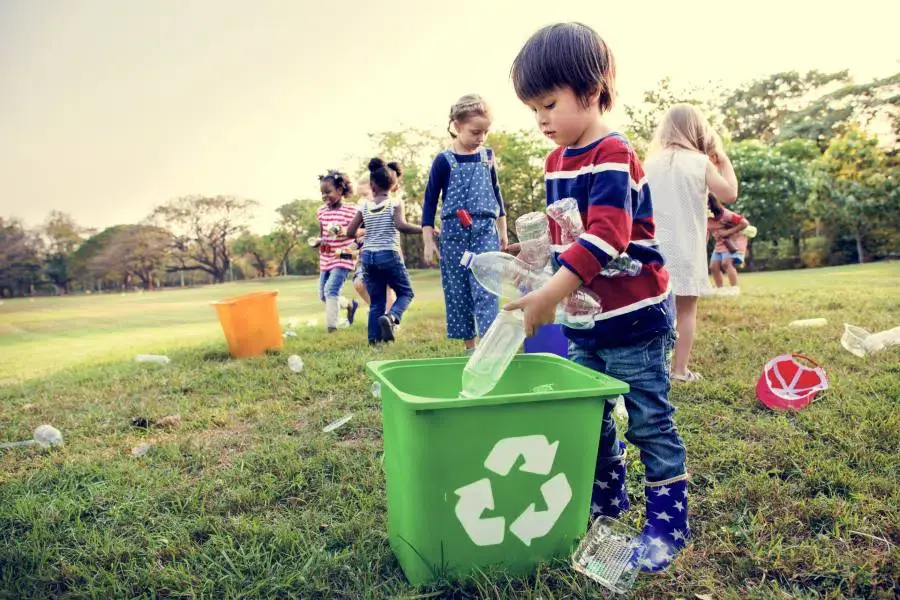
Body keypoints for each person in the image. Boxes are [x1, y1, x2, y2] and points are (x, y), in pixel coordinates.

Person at [505, 22, 688, 572]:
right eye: (533, 108)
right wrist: (532, 259)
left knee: (648, 419)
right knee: (592, 417)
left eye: (549, 103)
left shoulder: (612, 152)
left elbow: (607, 236)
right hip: (586, 322)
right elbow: (569, 234)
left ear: (592, 91)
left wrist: (549, 297)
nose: (540, 120)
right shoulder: (555, 162)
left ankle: (668, 523)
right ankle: (606, 502)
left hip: (634, 318)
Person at [644, 104, 739, 382]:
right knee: (686, 311)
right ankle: (679, 370)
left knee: (653, 310)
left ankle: (652, 367)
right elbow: (729, 193)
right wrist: (723, 161)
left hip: (652, 250)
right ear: (697, 130)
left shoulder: (648, 164)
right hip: (687, 249)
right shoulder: (700, 162)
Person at [422, 94, 508, 355]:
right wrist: (428, 241)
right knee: (458, 290)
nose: (481, 137)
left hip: (484, 231)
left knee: (487, 288)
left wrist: (502, 230)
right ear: (457, 126)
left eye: (485, 132)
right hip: (454, 236)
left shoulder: (487, 157)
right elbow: (429, 203)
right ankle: (470, 347)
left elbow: (497, 194)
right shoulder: (443, 161)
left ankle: (489, 346)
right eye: (475, 132)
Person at [346, 159, 421, 344]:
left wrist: (366, 231)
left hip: (368, 257)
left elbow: (349, 232)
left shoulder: (364, 207)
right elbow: (401, 226)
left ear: (372, 185)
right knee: (406, 293)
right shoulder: (395, 203)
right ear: (393, 185)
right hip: (388, 254)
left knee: (376, 301)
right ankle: (391, 317)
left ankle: (374, 340)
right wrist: (423, 229)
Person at [313, 170, 358, 333]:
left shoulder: (352, 210)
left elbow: (358, 231)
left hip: (345, 255)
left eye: (328, 192)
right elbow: (322, 234)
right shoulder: (321, 211)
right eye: (322, 193)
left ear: (340, 190)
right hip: (326, 257)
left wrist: (343, 231)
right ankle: (349, 305)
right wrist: (319, 242)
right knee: (323, 295)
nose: (325, 196)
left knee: (331, 290)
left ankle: (332, 327)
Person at [349, 176, 395, 316]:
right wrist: (351, 247)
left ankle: (390, 319)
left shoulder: (388, 208)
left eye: (364, 195)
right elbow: (356, 236)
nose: (361, 200)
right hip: (366, 259)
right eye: (359, 196)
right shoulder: (363, 213)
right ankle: (379, 310)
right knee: (359, 284)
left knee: (386, 288)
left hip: (385, 256)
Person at [707, 194, 749, 294]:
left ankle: (734, 288)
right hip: (719, 244)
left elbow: (744, 223)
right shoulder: (706, 217)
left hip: (730, 242)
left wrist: (728, 232)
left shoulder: (725, 214)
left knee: (726, 263)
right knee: (713, 266)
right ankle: (720, 289)